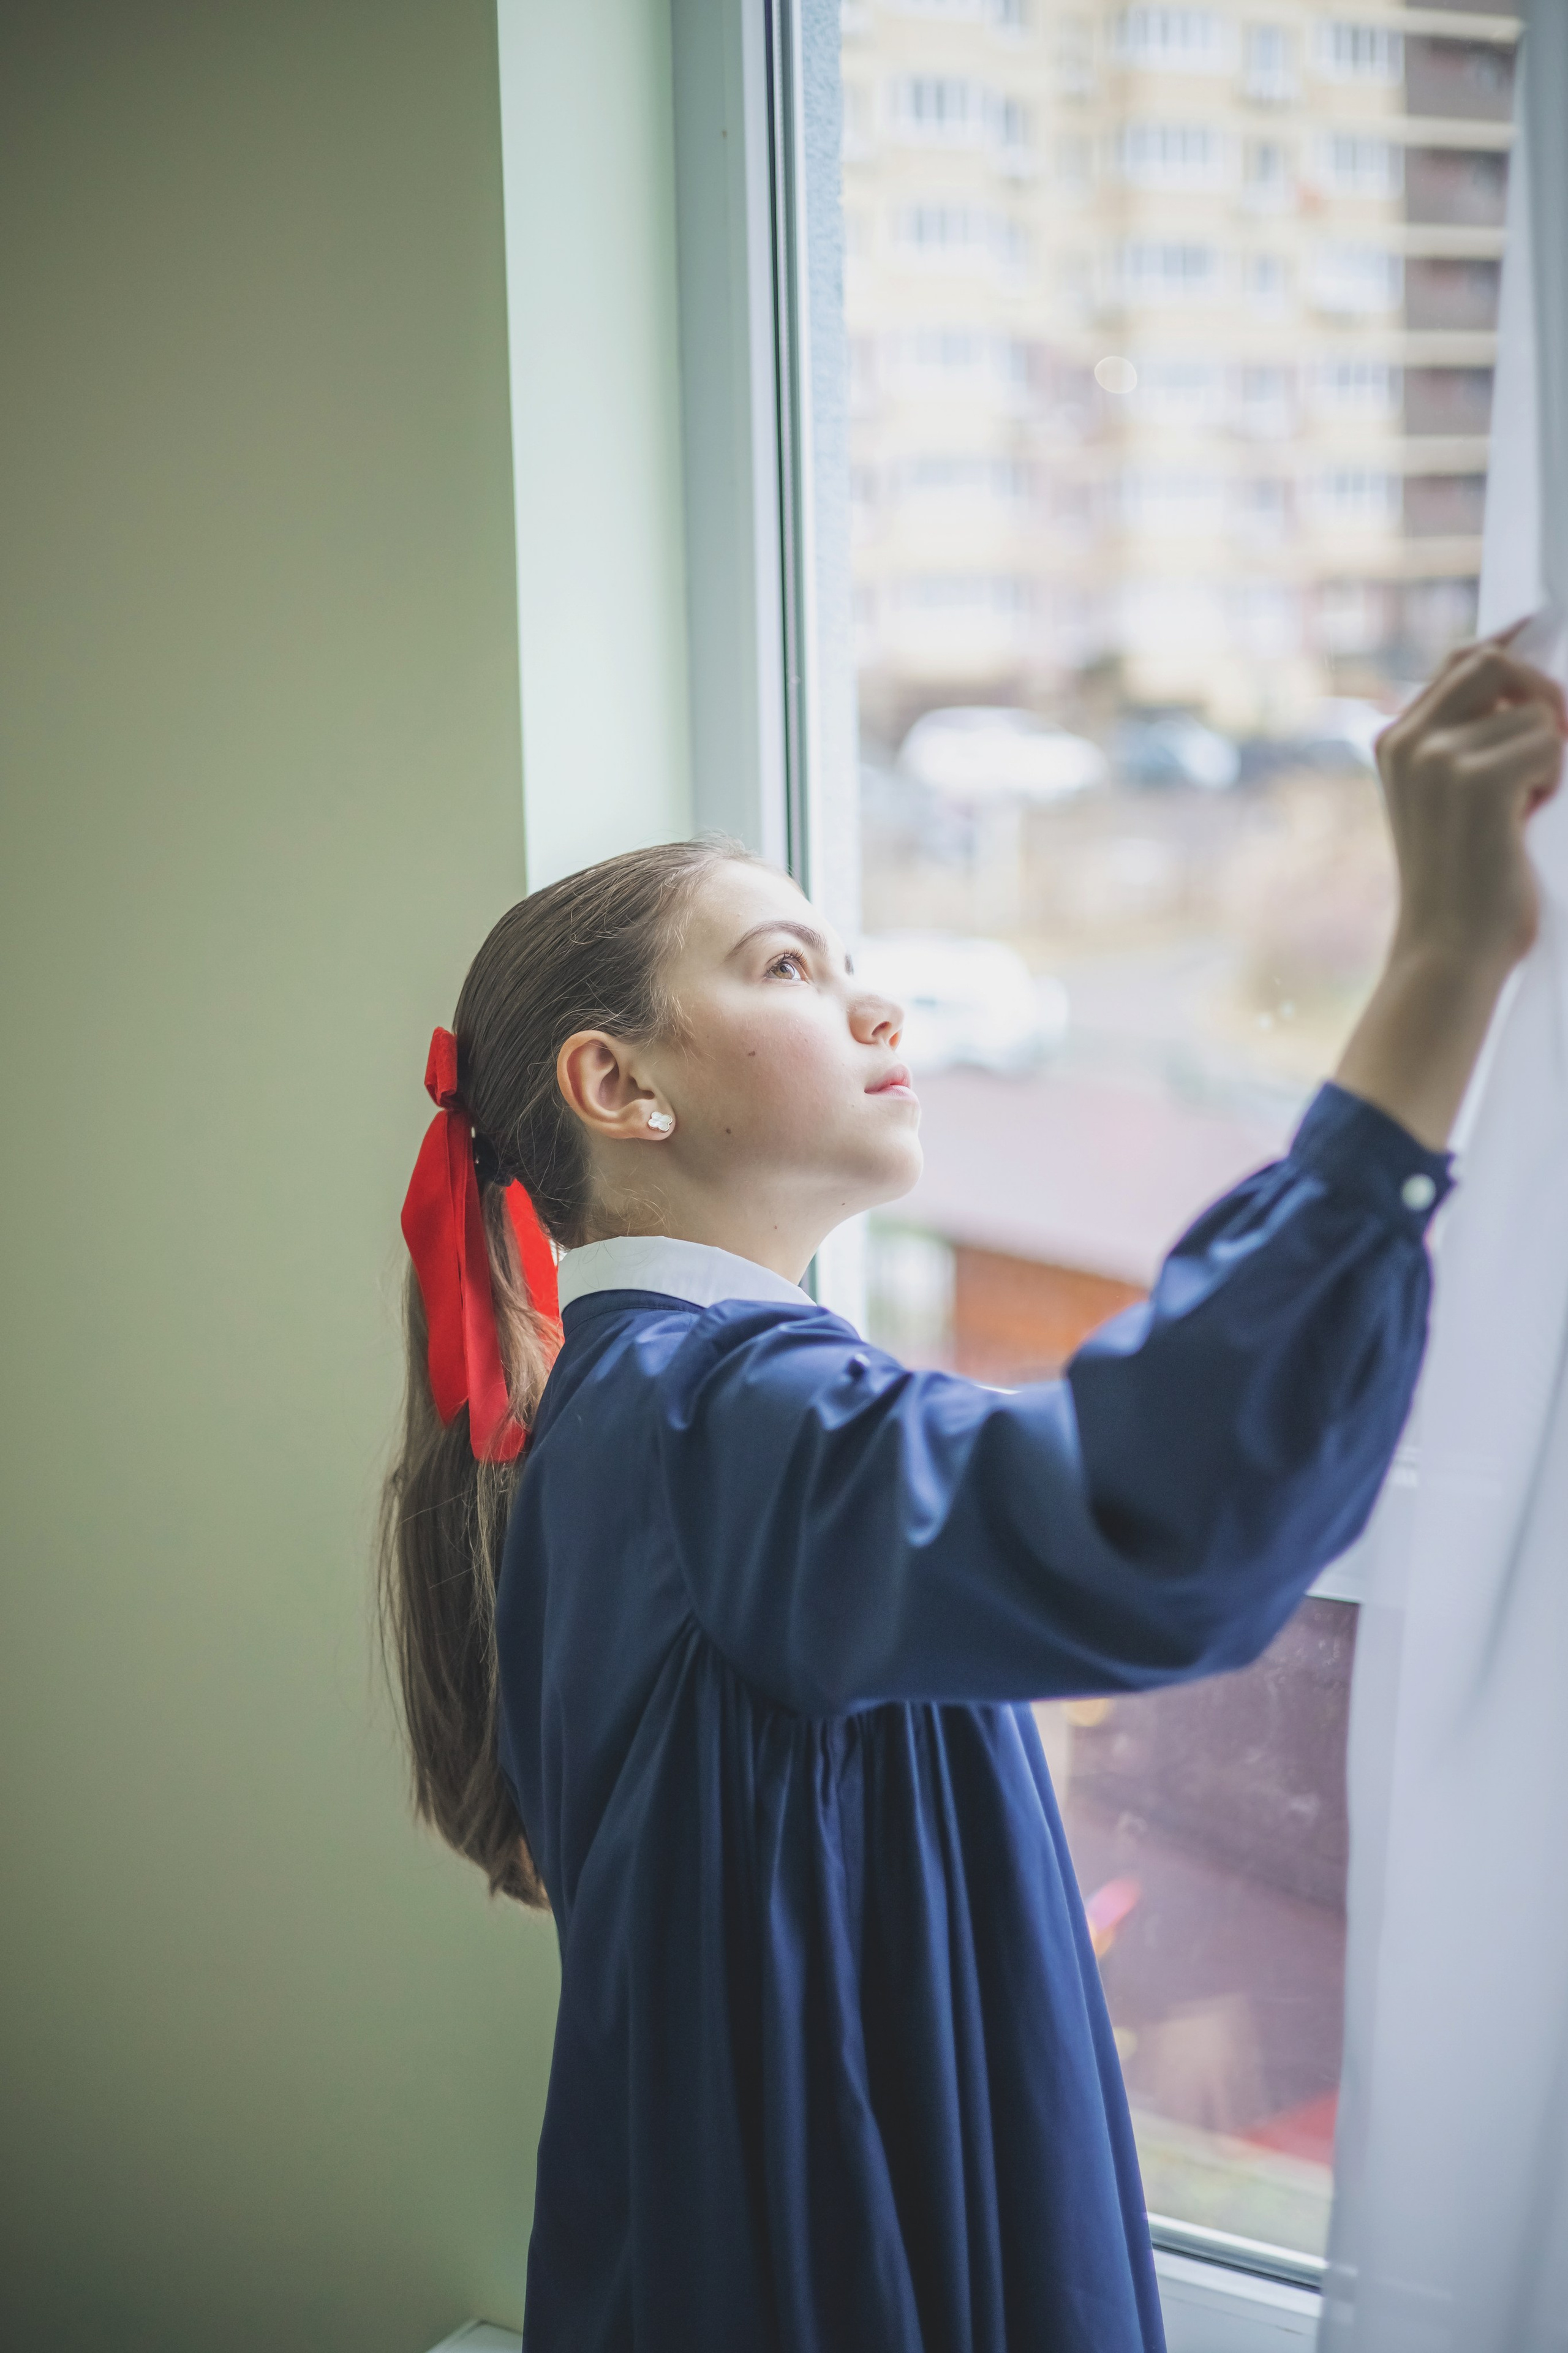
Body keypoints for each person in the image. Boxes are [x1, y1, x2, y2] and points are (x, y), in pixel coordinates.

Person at [379, 634, 1565, 2352]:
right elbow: (1153, 1506)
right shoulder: (729, 1424)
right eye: (789, 965)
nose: (878, 1004)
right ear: (619, 1086)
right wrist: (1446, 959)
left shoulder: (625, 1414)